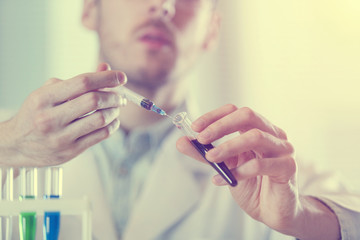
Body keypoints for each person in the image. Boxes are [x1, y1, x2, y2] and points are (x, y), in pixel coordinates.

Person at [1, 0, 360, 239]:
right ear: (90, 8)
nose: (165, 6)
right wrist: (9, 144)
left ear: (212, 31)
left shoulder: (261, 171)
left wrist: (302, 216)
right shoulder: (8, 139)